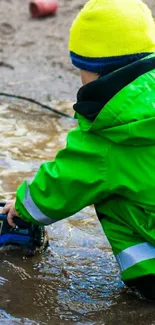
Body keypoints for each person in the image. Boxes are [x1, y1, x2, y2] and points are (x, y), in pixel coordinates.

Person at [3, 0, 155, 299]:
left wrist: (20, 207)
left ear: (93, 72)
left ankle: (145, 279)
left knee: (111, 196)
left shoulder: (106, 137)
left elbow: (62, 184)